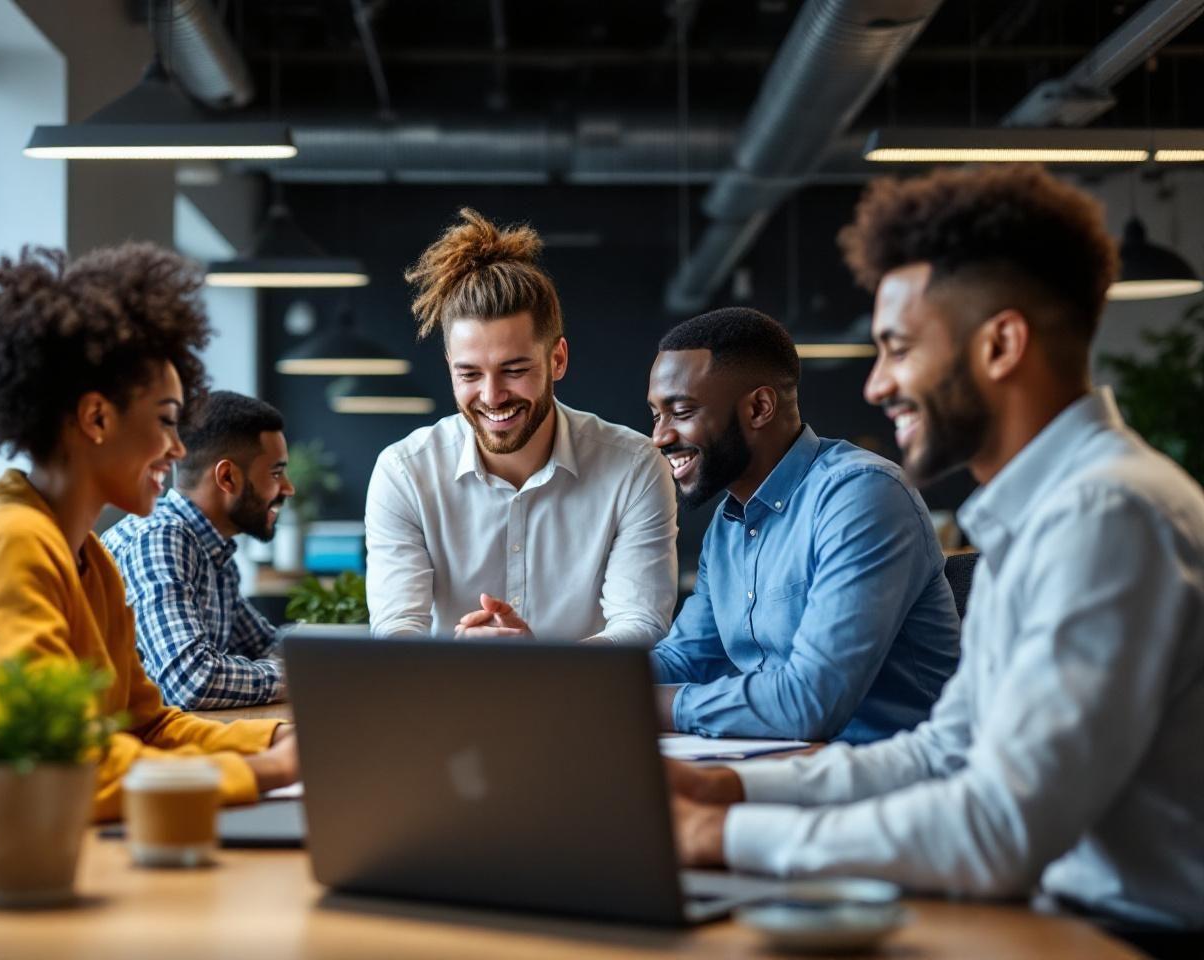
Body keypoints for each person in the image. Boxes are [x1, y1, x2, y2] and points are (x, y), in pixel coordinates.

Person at [669, 165, 1204, 935]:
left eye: (898, 349)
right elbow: (944, 753)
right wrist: (729, 794)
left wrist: (723, 837)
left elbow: (999, 829)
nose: (876, 385)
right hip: (1053, 916)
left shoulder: (1108, 513)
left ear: (1001, 345)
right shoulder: (1050, 512)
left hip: (1125, 936)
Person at [0, 245, 297, 840]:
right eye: (166, 419)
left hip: (24, 839)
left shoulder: (89, 558)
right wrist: (266, 771)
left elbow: (147, 725)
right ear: (96, 419)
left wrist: (277, 737)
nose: (179, 449)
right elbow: (59, 766)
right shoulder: (8, 546)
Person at [365, 208, 678, 643]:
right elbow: (396, 629)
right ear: (450, 368)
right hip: (447, 702)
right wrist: (457, 664)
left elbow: (641, 625)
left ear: (558, 359)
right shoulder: (404, 473)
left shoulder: (635, 467)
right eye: (470, 374)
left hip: (578, 704)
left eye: (514, 370)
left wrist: (537, 667)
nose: (492, 397)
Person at [648, 307, 959, 743]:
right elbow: (686, 659)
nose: (660, 436)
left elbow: (809, 701)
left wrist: (647, 704)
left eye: (680, 411)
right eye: (656, 415)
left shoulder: (861, 495)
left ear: (759, 407)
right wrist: (582, 684)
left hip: (891, 778)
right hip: (789, 764)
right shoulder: (729, 523)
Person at [103, 391, 293, 709]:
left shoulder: (216, 554)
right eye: (276, 473)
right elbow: (192, 681)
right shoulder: (160, 536)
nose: (288, 487)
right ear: (227, 477)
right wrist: (294, 677)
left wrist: (339, 651)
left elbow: (264, 645)